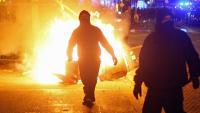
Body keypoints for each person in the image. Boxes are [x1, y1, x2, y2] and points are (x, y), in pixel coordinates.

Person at [133, 8, 200, 113]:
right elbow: (192, 57)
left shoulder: (152, 39)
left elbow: (144, 64)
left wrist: (138, 83)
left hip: (157, 87)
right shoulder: (180, 36)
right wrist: (195, 75)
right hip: (172, 87)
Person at [67, 10, 118, 107]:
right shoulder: (77, 32)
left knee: (92, 78)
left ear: (89, 19)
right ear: (80, 20)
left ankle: (88, 96)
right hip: (83, 59)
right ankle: (89, 94)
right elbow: (70, 44)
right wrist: (69, 55)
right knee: (85, 78)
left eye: (86, 18)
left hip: (95, 59)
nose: (85, 20)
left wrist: (113, 54)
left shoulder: (95, 30)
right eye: (83, 18)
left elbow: (105, 43)